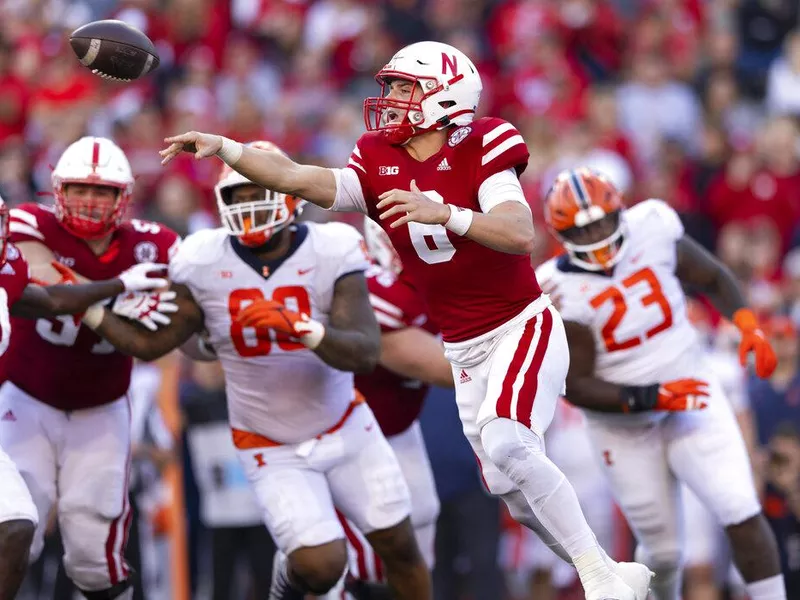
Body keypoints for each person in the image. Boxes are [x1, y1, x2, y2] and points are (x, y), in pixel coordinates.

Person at [159, 40, 650, 600]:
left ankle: (598, 578)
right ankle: (611, 570)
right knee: (507, 487)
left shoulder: (484, 139)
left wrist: (447, 213)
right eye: (389, 86)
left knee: (511, 443)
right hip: (464, 346)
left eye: (402, 87)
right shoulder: (374, 154)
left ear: (445, 94)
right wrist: (227, 147)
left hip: (519, 323)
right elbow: (299, 178)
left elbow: (519, 232)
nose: (388, 98)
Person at [86, 142, 432, 600]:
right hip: (269, 442)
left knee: (402, 548)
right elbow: (154, 343)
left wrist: (303, 329)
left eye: (259, 191)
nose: (249, 205)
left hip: (347, 427)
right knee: (323, 565)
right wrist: (92, 309)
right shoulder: (204, 258)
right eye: (239, 196)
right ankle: (285, 580)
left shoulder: (332, 248)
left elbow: (365, 352)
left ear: (291, 195)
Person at [535, 167, 787, 600]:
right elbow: (576, 386)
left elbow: (711, 275)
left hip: (692, 396)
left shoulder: (652, 227)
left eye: (600, 220)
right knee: (664, 553)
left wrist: (748, 324)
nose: (595, 233)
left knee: (740, 510)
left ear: (620, 209)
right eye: (581, 228)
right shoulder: (556, 289)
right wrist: (653, 396)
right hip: (624, 429)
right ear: (560, 232)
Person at [0, 136, 181, 600]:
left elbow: (183, 322)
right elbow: (43, 279)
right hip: (25, 398)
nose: (90, 200)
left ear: (125, 197)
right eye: (80, 188)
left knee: (94, 556)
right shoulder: (28, 224)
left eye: (103, 191)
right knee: (18, 527)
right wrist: (115, 293)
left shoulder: (155, 245)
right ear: (57, 189)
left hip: (101, 408)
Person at [327, 216, 452, 599]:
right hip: (351, 432)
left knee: (424, 512)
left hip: (399, 426)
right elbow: (437, 365)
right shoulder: (372, 288)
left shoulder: (441, 282)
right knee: (369, 551)